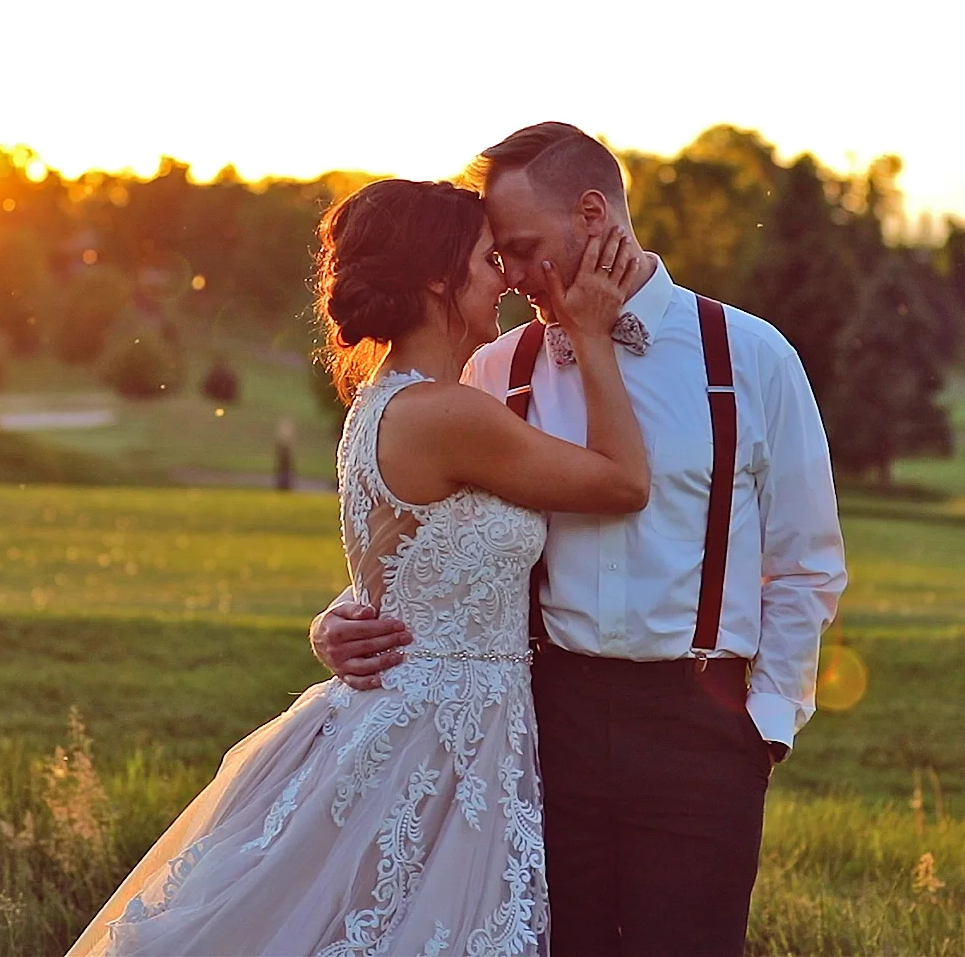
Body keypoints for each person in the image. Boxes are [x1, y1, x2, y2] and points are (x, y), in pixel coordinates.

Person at [69, 177, 652, 956]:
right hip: (434, 740)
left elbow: (409, 563)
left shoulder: (384, 405)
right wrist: (593, 332)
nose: (507, 277)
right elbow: (622, 482)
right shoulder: (450, 415)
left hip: (433, 723)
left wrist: (331, 619)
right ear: (439, 279)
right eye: (488, 259)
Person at [314, 123, 848, 957]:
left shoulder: (750, 356)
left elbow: (806, 560)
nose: (514, 275)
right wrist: (342, 616)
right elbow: (430, 530)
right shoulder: (494, 369)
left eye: (522, 248)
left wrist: (765, 724)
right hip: (538, 723)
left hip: (700, 728)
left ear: (593, 215)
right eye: (499, 256)